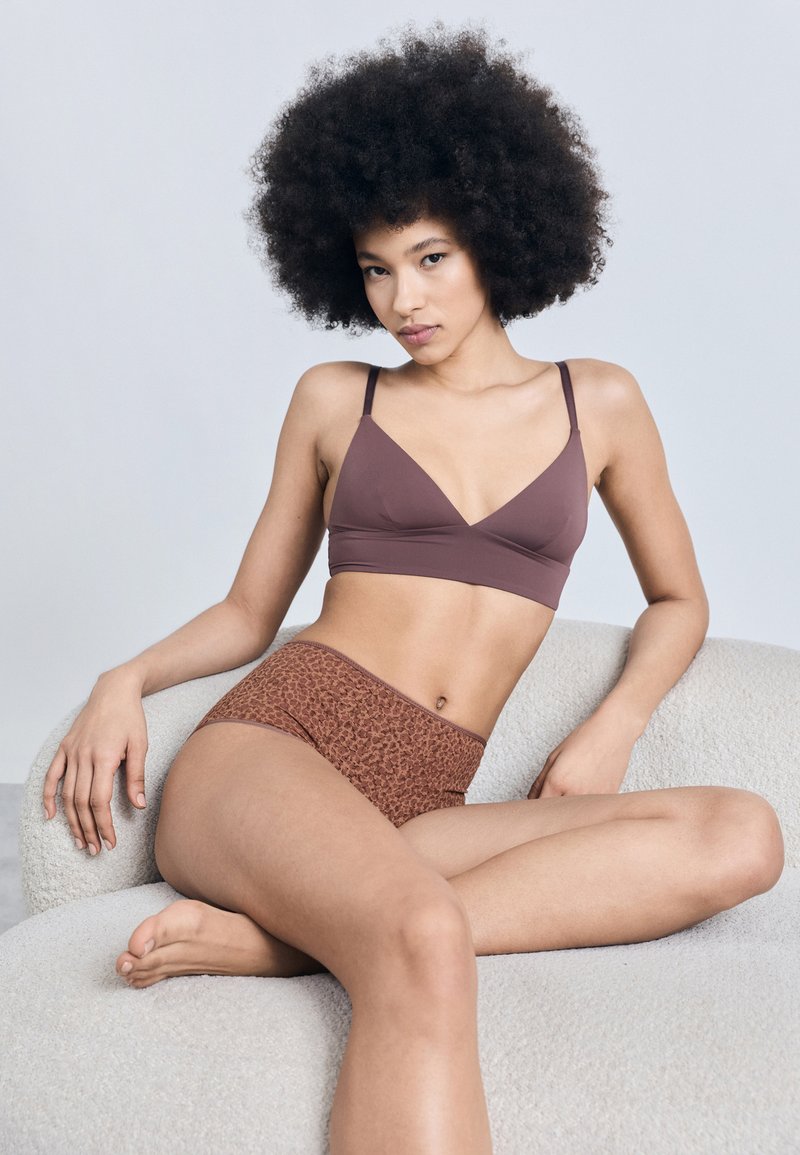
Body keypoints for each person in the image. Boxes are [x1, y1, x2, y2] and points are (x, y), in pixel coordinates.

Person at [41, 21, 784, 1155]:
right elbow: (249, 613)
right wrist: (122, 678)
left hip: (418, 805)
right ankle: (347, 926)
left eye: (431, 257)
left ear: (497, 235)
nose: (403, 298)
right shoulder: (337, 399)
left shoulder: (600, 403)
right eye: (377, 269)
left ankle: (289, 941)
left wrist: (613, 726)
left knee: (742, 835)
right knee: (422, 942)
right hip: (275, 754)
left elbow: (678, 599)